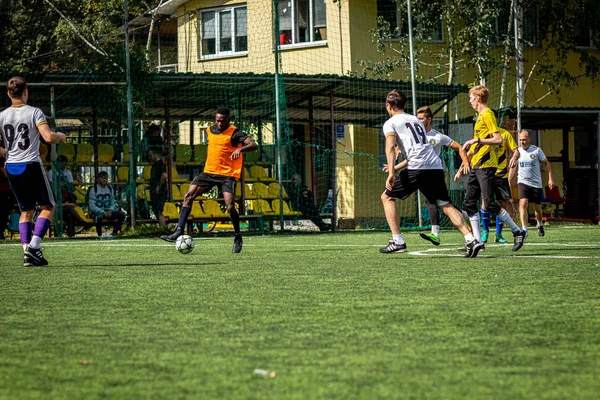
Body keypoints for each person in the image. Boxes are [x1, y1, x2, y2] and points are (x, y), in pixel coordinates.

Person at [379, 90, 481, 257]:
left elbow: (390, 147)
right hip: (435, 166)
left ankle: (397, 241)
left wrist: (391, 171)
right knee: (444, 204)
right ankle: (471, 239)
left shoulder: (390, 123)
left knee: (387, 197)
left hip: (417, 167)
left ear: (389, 106)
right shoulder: (416, 120)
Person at [160, 107, 258, 253]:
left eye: (222, 121)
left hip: (226, 175)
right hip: (209, 172)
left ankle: (238, 236)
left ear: (228, 120)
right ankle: (179, 231)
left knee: (230, 206)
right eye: (217, 120)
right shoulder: (210, 130)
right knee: (188, 196)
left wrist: (240, 149)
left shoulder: (235, 133)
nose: (219, 123)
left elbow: (253, 144)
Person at [0, 76, 67, 266]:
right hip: (30, 164)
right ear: (26, 92)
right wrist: (60, 136)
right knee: (48, 206)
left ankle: (26, 253)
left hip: (11, 166)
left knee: (25, 210)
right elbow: (48, 137)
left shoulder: (2, 115)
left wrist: (8, 151)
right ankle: (34, 247)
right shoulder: (34, 112)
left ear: (8, 94)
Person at [461, 85, 526, 252]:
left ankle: (517, 231)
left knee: (489, 203)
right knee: (469, 202)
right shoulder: (480, 117)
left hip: (487, 166)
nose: (469, 101)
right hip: (477, 165)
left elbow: (497, 139)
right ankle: (477, 242)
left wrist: (476, 141)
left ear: (477, 99)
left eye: (471, 98)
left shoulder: (488, 115)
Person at [414, 105, 470, 246]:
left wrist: (465, 162)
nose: (418, 121)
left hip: (436, 174)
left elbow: (458, 147)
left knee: (431, 201)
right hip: (423, 173)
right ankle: (465, 215)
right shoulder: (415, 136)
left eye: (421, 118)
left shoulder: (437, 136)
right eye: (417, 118)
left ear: (429, 119)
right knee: (442, 203)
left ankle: (436, 233)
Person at [510, 130, 555, 237]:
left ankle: (539, 224)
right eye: (520, 140)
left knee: (537, 209)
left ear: (529, 139)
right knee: (523, 203)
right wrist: (509, 180)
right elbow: (513, 167)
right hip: (522, 182)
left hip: (535, 184)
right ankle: (524, 229)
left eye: (524, 139)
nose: (522, 142)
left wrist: (550, 178)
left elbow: (546, 163)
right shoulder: (518, 152)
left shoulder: (536, 150)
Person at [87, 171, 126, 238]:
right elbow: (92, 205)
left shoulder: (110, 189)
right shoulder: (93, 189)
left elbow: (113, 201)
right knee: (98, 217)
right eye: (102, 178)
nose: (104, 180)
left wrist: (111, 210)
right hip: (97, 212)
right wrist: (102, 212)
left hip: (108, 211)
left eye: (105, 178)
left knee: (122, 214)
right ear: (98, 179)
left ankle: (114, 233)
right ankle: (100, 235)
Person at [148, 148, 168, 228]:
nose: (149, 157)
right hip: (155, 191)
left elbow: (164, 176)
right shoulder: (154, 165)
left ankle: (163, 228)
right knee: (156, 211)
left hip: (160, 192)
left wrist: (158, 186)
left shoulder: (160, 164)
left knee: (159, 211)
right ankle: (161, 227)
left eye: (150, 155)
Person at [0, 149, 16, 240]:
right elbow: (5, 172)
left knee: (4, 212)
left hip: (5, 190)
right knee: (3, 212)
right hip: (3, 190)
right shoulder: (2, 161)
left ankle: (1, 232)